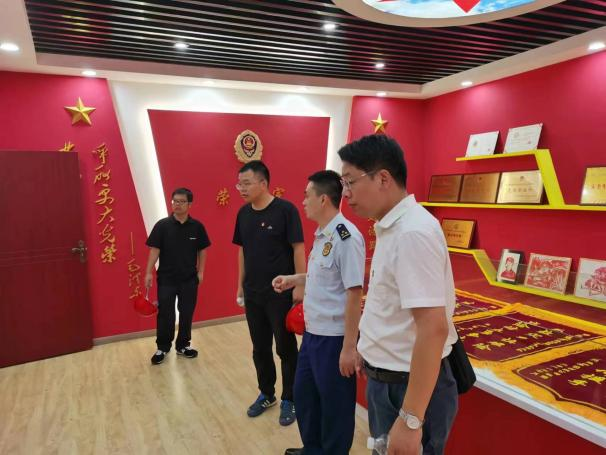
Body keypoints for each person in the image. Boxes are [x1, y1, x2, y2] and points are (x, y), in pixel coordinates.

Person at [338, 135, 459, 455]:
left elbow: (433, 328)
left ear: (383, 178)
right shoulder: (391, 226)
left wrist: (411, 419)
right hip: (389, 380)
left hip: (407, 388)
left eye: (350, 181)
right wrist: (368, 346)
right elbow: (390, 304)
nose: (345, 193)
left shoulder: (412, 232)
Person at [273, 170, 365, 455]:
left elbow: (354, 293)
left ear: (323, 199)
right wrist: (295, 279)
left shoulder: (346, 237)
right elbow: (324, 277)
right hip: (312, 335)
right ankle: (313, 449)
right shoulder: (323, 234)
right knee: (306, 397)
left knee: (335, 407)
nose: (303, 201)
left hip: (333, 339)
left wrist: (349, 348)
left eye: (307, 195)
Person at [233, 160, 306, 426]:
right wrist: (240, 285)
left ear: (263, 183)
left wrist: (300, 285)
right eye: (239, 184)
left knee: (285, 347)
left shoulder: (286, 210)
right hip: (253, 294)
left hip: (280, 293)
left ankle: (291, 398)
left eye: (246, 183)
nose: (241, 188)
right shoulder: (243, 214)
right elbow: (242, 251)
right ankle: (267, 393)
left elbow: (298, 248)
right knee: (259, 347)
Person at [144, 188, 211, 365]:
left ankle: (183, 345)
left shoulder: (197, 227)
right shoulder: (162, 226)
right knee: (165, 314)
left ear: (190, 204)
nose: (177, 204)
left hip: (189, 279)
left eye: (181, 201)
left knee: (187, 312)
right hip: (166, 279)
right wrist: (148, 272)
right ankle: (162, 347)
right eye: (174, 201)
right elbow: (154, 250)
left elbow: (202, 250)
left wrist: (201, 272)